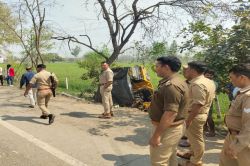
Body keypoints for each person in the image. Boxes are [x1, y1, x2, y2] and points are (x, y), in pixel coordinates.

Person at [148, 56, 189, 166]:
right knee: (170, 158)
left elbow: (170, 113)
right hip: (172, 127)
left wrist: (156, 136)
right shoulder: (177, 81)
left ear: (166, 67)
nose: (155, 69)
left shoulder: (172, 86)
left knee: (159, 161)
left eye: (157, 66)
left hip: (168, 130)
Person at [179, 61, 216, 166]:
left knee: (196, 140)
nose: (186, 71)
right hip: (200, 114)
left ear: (194, 70)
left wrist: (189, 120)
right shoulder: (208, 81)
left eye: (188, 69)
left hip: (195, 115)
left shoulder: (198, 84)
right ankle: (192, 154)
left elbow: (198, 104)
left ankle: (196, 161)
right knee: (193, 138)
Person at [219, 63, 250, 166]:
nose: (231, 81)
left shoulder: (248, 96)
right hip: (233, 136)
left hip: (243, 140)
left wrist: (237, 145)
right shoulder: (242, 93)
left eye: (232, 78)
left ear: (242, 77)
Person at [204, 69, 217, 137]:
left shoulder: (213, 83)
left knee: (209, 116)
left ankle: (212, 131)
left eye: (211, 75)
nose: (209, 76)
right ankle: (205, 128)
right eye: (207, 75)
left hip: (209, 101)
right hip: (203, 101)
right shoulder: (204, 82)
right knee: (204, 115)